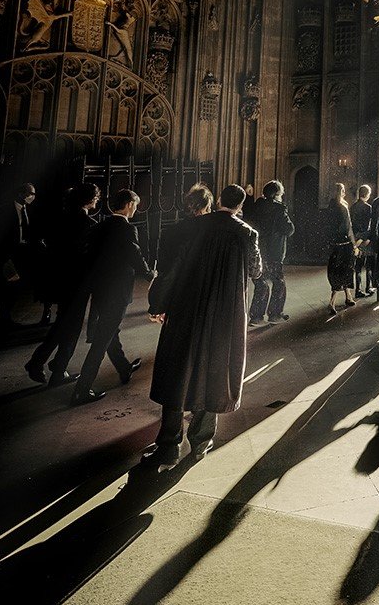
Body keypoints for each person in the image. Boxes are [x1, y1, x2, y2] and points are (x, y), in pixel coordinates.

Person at [144, 184, 262, 469]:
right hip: (225, 314)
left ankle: (169, 446)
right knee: (216, 373)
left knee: (177, 370)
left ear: (218, 200)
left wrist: (158, 304)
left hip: (189, 308)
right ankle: (200, 443)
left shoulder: (195, 227)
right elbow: (257, 271)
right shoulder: (247, 232)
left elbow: (173, 270)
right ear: (240, 206)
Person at [64, 188, 155, 406]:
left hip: (101, 290)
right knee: (102, 340)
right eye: (135, 204)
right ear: (129, 204)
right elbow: (135, 255)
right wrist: (149, 273)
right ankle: (81, 390)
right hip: (117, 292)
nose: (135, 209)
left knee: (110, 330)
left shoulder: (100, 225)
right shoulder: (127, 229)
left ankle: (123, 368)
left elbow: (87, 254)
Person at [25, 182, 101, 386]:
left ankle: (57, 368)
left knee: (66, 324)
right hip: (78, 282)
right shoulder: (90, 225)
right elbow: (90, 257)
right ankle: (42, 363)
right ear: (91, 200)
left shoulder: (61, 219)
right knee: (68, 326)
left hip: (60, 278)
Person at [0, 182, 39, 338]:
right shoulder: (4, 210)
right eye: (30, 193)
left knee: (12, 290)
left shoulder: (28, 210)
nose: (32, 197)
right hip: (4, 255)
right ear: (21, 193)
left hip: (20, 254)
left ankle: (5, 320)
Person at [248, 180, 294, 323]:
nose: (283, 195)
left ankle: (256, 317)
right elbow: (289, 229)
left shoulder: (257, 206)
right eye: (281, 193)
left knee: (261, 283)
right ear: (276, 195)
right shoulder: (279, 209)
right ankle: (275, 314)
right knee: (278, 282)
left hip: (259, 250)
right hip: (274, 251)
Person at [325, 182, 356, 316]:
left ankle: (348, 296)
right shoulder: (343, 207)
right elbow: (348, 228)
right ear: (342, 192)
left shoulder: (330, 206)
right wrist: (354, 244)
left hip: (334, 243)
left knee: (336, 270)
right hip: (345, 243)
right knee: (346, 269)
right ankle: (332, 302)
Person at [350, 184, 373, 298]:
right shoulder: (368, 207)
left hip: (355, 238)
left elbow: (352, 224)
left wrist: (356, 239)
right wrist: (366, 238)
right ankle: (368, 288)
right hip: (365, 239)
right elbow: (369, 226)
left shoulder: (353, 206)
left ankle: (358, 289)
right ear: (367, 194)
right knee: (368, 264)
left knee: (358, 266)